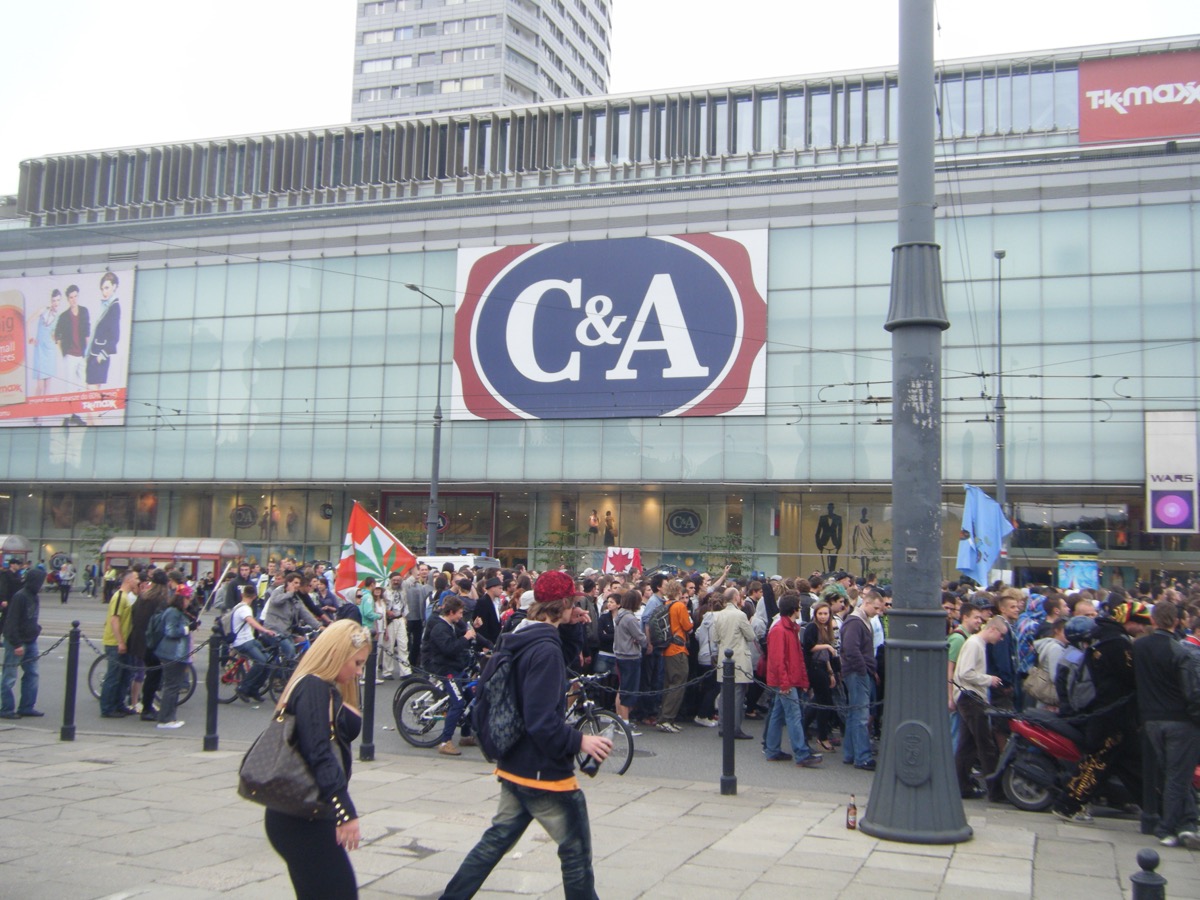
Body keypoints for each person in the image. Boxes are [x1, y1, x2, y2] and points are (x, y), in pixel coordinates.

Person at [440, 585, 612, 900]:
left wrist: (573, 624)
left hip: (514, 762)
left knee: (494, 843)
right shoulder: (545, 649)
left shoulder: (522, 634)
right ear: (562, 603)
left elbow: (562, 657)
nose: (577, 605)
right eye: (573, 602)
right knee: (575, 854)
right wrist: (580, 741)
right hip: (543, 771)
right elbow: (542, 721)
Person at [265, 620, 371, 900]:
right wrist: (344, 810)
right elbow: (318, 751)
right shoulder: (314, 687)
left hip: (306, 811)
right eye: (357, 663)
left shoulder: (323, 686)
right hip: (301, 815)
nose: (358, 672)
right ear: (337, 654)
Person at [1132, 602, 1200, 849]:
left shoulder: (1138, 646)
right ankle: (1168, 828)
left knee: (1173, 775)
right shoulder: (1180, 651)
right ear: (1177, 621)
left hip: (1151, 719)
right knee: (1177, 777)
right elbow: (1193, 693)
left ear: (1153, 620)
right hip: (1180, 721)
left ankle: (1188, 824)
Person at [954, 615, 1009, 799]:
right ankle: (995, 790)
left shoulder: (977, 643)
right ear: (992, 629)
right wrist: (988, 680)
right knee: (985, 744)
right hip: (971, 697)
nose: (1000, 640)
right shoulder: (975, 644)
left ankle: (961, 785)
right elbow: (965, 673)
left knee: (968, 745)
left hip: (969, 697)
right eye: (1000, 635)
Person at [763, 593, 821, 767]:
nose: (801, 609)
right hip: (785, 680)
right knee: (794, 716)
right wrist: (786, 682)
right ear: (793, 609)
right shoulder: (782, 629)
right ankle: (801, 754)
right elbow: (778, 659)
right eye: (798, 606)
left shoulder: (786, 628)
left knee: (778, 714)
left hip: (786, 678)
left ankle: (772, 749)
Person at [422, 595, 477, 756]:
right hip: (446, 669)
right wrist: (465, 638)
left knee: (470, 697)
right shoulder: (440, 628)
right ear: (451, 612)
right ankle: (445, 741)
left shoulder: (452, 624)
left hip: (455, 666)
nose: (461, 616)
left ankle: (466, 735)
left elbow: (465, 634)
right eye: (459, 613)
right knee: (458, 703)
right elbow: (449, 648)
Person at [840, 591, 882, 770]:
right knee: (861, 715)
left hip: (857, 671)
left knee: (855, 714)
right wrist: (864, 669)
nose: (878, 611)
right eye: (876, 607)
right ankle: (862, 756)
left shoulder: (857, 620)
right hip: (857, 673)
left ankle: (851, 753)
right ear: (866, 603)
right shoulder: (856, 622)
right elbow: (851, 648)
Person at [710, 586, 756, 740]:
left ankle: (723, 726)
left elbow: (715, 638)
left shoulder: (718, 615)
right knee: (737, 695)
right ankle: (735, 727)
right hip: (738, 658)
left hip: (724, 657)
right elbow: (751, 636)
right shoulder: (740, 615)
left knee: (724, 694)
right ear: (736, 598)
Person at [1, 566, 44, 719]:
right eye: (39, 582)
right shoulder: (20, 596)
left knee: (32, 673)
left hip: (30, 639)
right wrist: (17, 643)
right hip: (17, 640)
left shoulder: (34, 596)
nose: (40, 585)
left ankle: (26, 706)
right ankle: (6, 708)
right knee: (10, 675)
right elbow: (11, 622)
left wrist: (36, 629)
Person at [802, 600, 839, 752]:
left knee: (821, 701)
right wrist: (828, 646)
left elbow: (826, 656)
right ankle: (821, 736)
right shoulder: (812, 627)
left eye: (825, 614)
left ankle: (805, 728)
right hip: (814, 668)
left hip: (823, 667)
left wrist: (831, 672)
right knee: (824, 702)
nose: (823, 617)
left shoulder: (826, 629)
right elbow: (809, 647)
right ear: (815, 614)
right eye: (820, 614)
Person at [100, 570, 138, 717]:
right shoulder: (119, 597)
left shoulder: (126, 598)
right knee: (114, 676)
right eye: (135, 578)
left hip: (123, 641)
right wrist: (120, 642)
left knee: (124, 675)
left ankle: (119, 704)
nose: (137, 581)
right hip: (114, 642)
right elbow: (114, 619)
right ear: (128, 580)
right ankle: (107, 707)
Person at [231, 584, 278, 702]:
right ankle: (243, 687)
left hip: (250, 639)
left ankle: (254, 689)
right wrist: (265, 630)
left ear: (243, 594)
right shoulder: (244, 608)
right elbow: (251, 622)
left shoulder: (239, 606)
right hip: (242, 642)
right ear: (255, 596)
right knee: (261, 662)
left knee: (269, 662)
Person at [155, 590, 192, 729]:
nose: (189, 601)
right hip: (172, 653)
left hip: (177, 654)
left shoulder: (177, 612)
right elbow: (170, 631)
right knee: (171, 687)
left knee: (174, 686)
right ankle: (165, 719)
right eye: (187, 598)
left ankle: (170, 717)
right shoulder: (172, 612)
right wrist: (187, 629)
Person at [613, 589, 646, 726]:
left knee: (622, 688)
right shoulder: (630, 618)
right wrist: (641, 640)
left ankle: (619, 717)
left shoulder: (619, 615)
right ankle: (624, 722)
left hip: (620, 654)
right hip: (630, 656)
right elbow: (641, 638)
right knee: (628, 690)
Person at [53, 284, 89, 394]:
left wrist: (85, 352)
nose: (74, 300)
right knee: (69, 387)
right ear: (68, 299)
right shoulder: (63, 316)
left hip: (82, 354)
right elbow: (57, 335)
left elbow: (87, 332)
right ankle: (72, 411)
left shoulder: (84, 311)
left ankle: (80, 410)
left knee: (83, 385)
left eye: (75, 296)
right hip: (70, 355)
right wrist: (64, 352)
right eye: (71, 297)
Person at [379, 570, 410, 680]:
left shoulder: (403, 591)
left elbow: (405, 604)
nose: (396, 582)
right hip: (390, 621)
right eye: (394, 580)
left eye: (398, 580)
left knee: (403, 644)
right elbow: (380, 606)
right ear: (390, 581)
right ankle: (387, 671)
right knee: (389, 645)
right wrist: (387, 612)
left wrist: (405, 617)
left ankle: (405, 670)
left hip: (400, 619)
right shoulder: (385, 592)